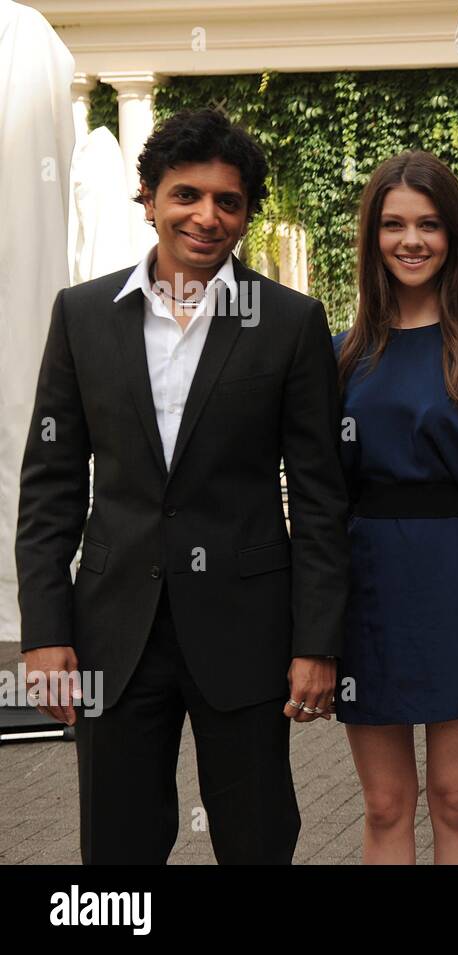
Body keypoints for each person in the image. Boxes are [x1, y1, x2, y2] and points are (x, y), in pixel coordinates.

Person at [15, 108, 349, 864]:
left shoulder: (290, 323)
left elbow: (323, 496)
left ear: (245, 213)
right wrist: (44, 631)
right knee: (117, 843)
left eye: (227, 201)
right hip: (113, 627)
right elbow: (52, 485)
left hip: (248, 628)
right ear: (148, 197)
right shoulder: (82, 316)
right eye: (186, 195)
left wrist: (316, 640)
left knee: (258, 837)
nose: (206, 216)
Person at [333, 150, 458, 865]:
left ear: (454, 238)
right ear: (372, 237)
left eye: (429, 224)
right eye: (393, 224)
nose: (411, 240)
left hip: (456, 581)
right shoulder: (340, 355)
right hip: (367, 588)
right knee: (385, 803)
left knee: (455, 798)